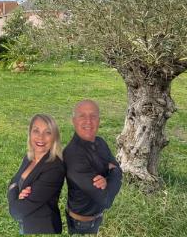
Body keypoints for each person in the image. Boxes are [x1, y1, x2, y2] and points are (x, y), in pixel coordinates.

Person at [64, 100, 122, 234]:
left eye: (93, 116)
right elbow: (105, 199)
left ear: (99, 121)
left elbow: (118, 168)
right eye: (82, 116)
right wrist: (113, 173)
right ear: (74, 121)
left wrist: (108, 179)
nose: (88, 121)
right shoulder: (72, 155)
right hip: (81, 225)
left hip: (97, 218)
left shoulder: (100, 142)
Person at [8, 114, 65, 234]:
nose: (40, 137)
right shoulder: (30, 157)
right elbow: (13, 181)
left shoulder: (55, 168)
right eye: (36, 131)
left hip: (44, 228)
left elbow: (17, 211)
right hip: (27, 225)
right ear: (30, 133)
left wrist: (13, 195)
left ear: (54, 137)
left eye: (47, 132)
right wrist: (17, 193)